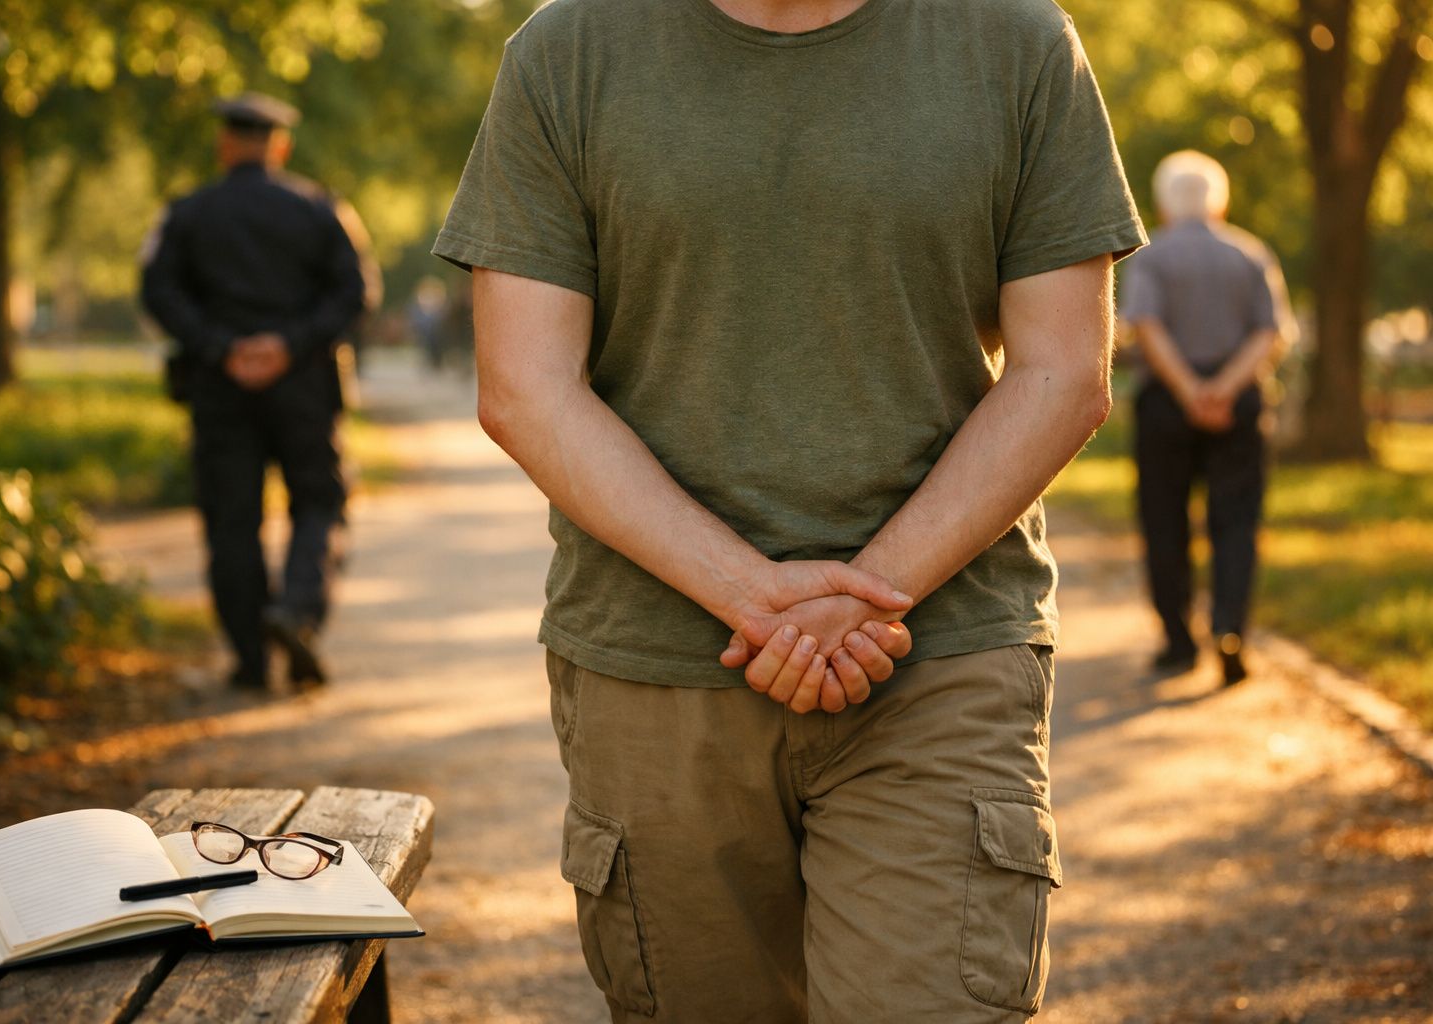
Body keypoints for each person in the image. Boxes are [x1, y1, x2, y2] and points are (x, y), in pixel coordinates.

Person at [434, 0, 1145, 1018]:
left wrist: (870, 594)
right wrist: (754, 596)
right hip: (655, 666)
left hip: (937, 655)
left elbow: (1063, 372)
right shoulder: (568, 51)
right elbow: (525, 387)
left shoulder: (1016, 42)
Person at [141, 92, 377, 691]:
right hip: (304, 386)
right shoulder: (321, 209)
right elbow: (356, 291)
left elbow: (158, 291)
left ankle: (250, 660)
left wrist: (223, 347)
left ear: (224, 144)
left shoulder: (188, 213)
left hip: (219, 389)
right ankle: (295, 611)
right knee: (318, 503)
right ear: (280, 145)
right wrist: (288, 344)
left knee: (231, 521)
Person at [1120, 150, 1293, 686]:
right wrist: (1222, 389)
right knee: (1236, 520)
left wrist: (1191, 391)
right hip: (1239, 403)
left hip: (1166, 405)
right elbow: (1270, 333)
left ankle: (1178, 643)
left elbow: (1143, 324)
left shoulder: (1152, 256)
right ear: (1220, 201)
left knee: (1164, 520)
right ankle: (1229, 629)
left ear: (1165, 203)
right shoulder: (1249, 254)